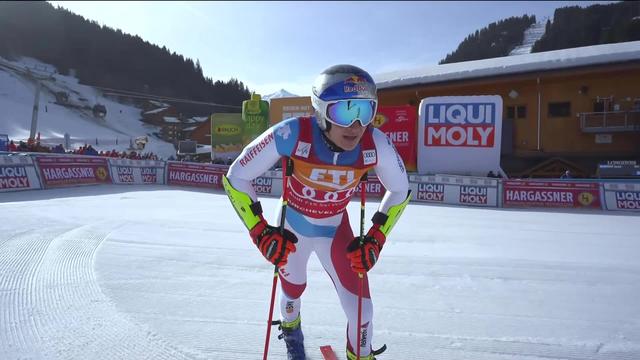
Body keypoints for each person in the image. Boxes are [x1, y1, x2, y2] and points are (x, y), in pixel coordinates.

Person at [223, 65, 410, 360]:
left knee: (363, 314)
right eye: (345, 112)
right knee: (293, 290)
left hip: (335, 230)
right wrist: (259, 231)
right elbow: (236, 176)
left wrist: (376, 238)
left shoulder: (377, 143)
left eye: (365, 110)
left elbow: (401, 190)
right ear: (321, 112)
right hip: (293, 227)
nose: (356, 124)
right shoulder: (292, 133)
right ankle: (292, 329)